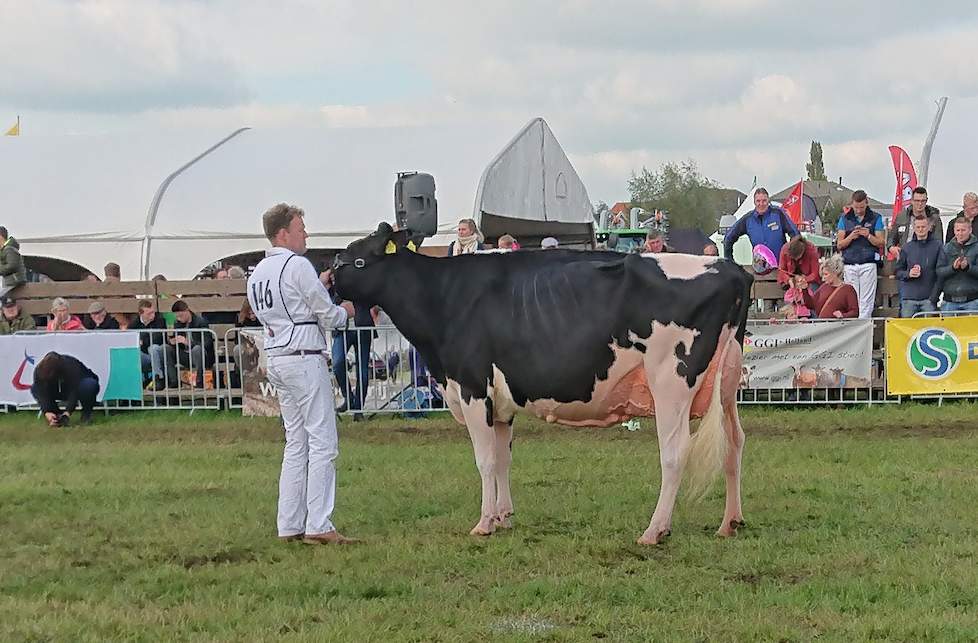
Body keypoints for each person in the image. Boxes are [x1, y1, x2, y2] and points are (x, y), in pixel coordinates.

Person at [247, 203, 356, 545]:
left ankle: (289, 523)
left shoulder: (258, 272)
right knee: (323, 442)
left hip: (277, 354)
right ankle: (319, 524)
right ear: (284, 233)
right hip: (304, 357)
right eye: (300, 228)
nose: (305, 233)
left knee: (296, 442)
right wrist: (345, 312)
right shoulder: (297, 266)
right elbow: (325, 313)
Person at [836, 190, 885, 319]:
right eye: (856, 207)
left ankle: (864, 327)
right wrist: (851, 236)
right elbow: (839, 244)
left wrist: (868, 235)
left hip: (868, 262)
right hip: (849, 264)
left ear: (866, 203)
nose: (858, 210)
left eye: (861, 207)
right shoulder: (844, 219)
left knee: (866, 302)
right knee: (852, 300)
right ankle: (854, 329)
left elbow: (881, 242)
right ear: (851, 204)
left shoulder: (876, 217)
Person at [722, 187, 799, 261]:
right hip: (759, 269)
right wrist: (729, 262)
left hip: (780, 267)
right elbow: (728, 238)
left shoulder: (778, 213)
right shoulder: (748, 219)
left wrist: (792, 257)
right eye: (758, 201)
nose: (761, 204)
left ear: (768, 201)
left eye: (764, 201)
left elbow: (795, 234)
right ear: (754, 202)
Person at [31, 352, 100, 426]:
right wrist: (47, 411)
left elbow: (74, 391)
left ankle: (86, 414)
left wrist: (68, 412)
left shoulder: (71, 365)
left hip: (78, 388)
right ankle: (56, 416)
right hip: (57, 390)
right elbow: (40, 391)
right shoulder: (39, 370)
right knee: (34, 388)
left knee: (89, 385)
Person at [159, 300, 214, 388]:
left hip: (201, 356)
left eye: (180, 315)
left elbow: (207, 343)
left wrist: (188, 342)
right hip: (185, 355)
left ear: (187, 310)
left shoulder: (200, 322)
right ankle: (174, 381)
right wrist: (172, 342)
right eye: (176, 316)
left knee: (197, 349)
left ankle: (199, 381)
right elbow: (176, 342)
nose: (178, 318)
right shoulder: (178, 324)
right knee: (165, 348)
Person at [895, 217, 942, 317]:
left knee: (929, 331)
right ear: (914, 228)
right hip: (909, 298)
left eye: (923, 227)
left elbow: (940, 273)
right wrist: (908, 274)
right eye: (918, 227)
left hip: (928, 299)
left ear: (929, 227)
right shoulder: (907, 247)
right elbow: (898, 271)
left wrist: (934, 297)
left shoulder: (937, 246)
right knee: (907, 331)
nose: (921, 229)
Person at [936, 216, 978, 313]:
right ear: (954, 231)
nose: (960, 233)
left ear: (970, 230)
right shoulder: (946, 248)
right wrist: (953, 268)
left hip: (972, 301)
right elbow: (939, 271)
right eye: (958, 230)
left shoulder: (976, 248)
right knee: (948, 328)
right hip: (949, 301)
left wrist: (968, 267)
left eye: (963, 230)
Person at [888, 186, 943, 256]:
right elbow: (892, 237)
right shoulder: (902, 216)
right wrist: (891, 247)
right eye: (917, 201)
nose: (920, 204)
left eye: (923, 201)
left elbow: (939, 242)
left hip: (926, 257)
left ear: (927, 200)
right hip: (905, 256)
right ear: (912, 201)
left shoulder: (934, 218)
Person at [802, 255, 859, 319]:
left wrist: (843, 315)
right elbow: (811, 305)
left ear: (835, 272)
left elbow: (855, 312)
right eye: (823, 274)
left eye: (826, 274)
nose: (823, 278)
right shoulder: (823, 287)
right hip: (822, 326)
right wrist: (804, 290)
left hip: (839, 326)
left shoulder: (848, 289)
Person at [130, 299, 167, 387]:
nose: (153, 315)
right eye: (149, 313)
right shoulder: (134, 325)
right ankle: (136, 382)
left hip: (159, 353)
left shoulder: (160, 320)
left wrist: (143, 339)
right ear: (141, 314)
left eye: (153, 312)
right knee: (135, 354)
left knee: (153, 348)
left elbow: (158, 339)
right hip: (145, 356)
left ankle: (158, 378)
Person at [0, 225, 26, 293]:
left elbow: (12, 266)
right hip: (10, 282)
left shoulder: (9, 249)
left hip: (14, 281)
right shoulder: (4, 250)